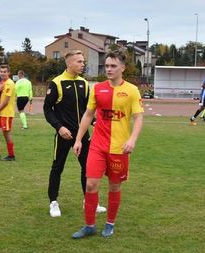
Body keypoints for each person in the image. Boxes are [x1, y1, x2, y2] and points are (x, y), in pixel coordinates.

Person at [71, 50, 144, 239]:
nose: (109, 69)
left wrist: (132, 139)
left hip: (119, 148)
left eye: (113, 66)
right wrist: (79, 139)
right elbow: (88, 115)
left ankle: (110, 223)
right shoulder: (97, 89)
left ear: (123, 68)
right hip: (97, 145)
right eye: (107, 66)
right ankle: (89, 225)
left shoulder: (132, 90)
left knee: (114, 187)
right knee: (91, 184)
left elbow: (138, 118)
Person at [43, 50, 106, 217]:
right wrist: (59, 127)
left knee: (87, 167)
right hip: (64, 135)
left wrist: (94, 122)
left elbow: (87, 110)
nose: (82, 64)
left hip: (82, 135)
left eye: (83, 61)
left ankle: (89, 201)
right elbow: (47, 109)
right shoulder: (56, 83)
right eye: (79, 61)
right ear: (69, 64)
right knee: (58, 167)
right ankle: (53, 202)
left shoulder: (84, 83)